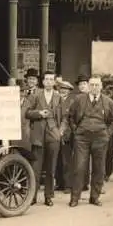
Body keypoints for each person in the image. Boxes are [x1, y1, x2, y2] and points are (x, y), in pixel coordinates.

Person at [68, 75, 113, 207]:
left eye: (97, 85)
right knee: (79, 167)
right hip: (82, 138)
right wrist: (76, 131)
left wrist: (107, 134)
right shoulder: (79, 99)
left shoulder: (108, 101)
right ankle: (75, 198)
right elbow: (71, 116)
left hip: (100, 139)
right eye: (92, 85)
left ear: (101, 86)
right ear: (88, 86)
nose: (94, 88)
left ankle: (94, 197)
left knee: (99, 169)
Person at [25, 71, 65, 206]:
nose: (48, 82)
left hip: (53, 133)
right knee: (36, 167)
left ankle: (48, 196)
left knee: (51, 167)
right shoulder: (36, 95)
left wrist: (61, 131)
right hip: (38, 134)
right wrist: (39, 113)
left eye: (51, 80)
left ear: (54, 82)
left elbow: (65, 116)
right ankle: (33, 196)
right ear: (42, 82)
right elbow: (27, 113)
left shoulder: (58, 97)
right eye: (46, 79)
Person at [56, 80, 75, 194]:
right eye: (61, 88)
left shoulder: (72, 102)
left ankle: (68, 185)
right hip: (54, 133)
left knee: (67, 160)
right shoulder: (56, 100)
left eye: (65, 89)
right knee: (57, 160)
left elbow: (71, 119)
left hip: (67, 135)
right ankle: (60, 183)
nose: (63, 90)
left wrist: (64, 132)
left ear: (69, 91)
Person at [74, 74, 91, 191]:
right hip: (80, 132)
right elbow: (71, 116)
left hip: (94, 132)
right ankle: (82, 184)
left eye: (84, 84)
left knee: (93, 160)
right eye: (80, 84)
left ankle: (91, 183)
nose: (82, 86)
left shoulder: (93, 97)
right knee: (80, 160)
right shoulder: (76, 99)